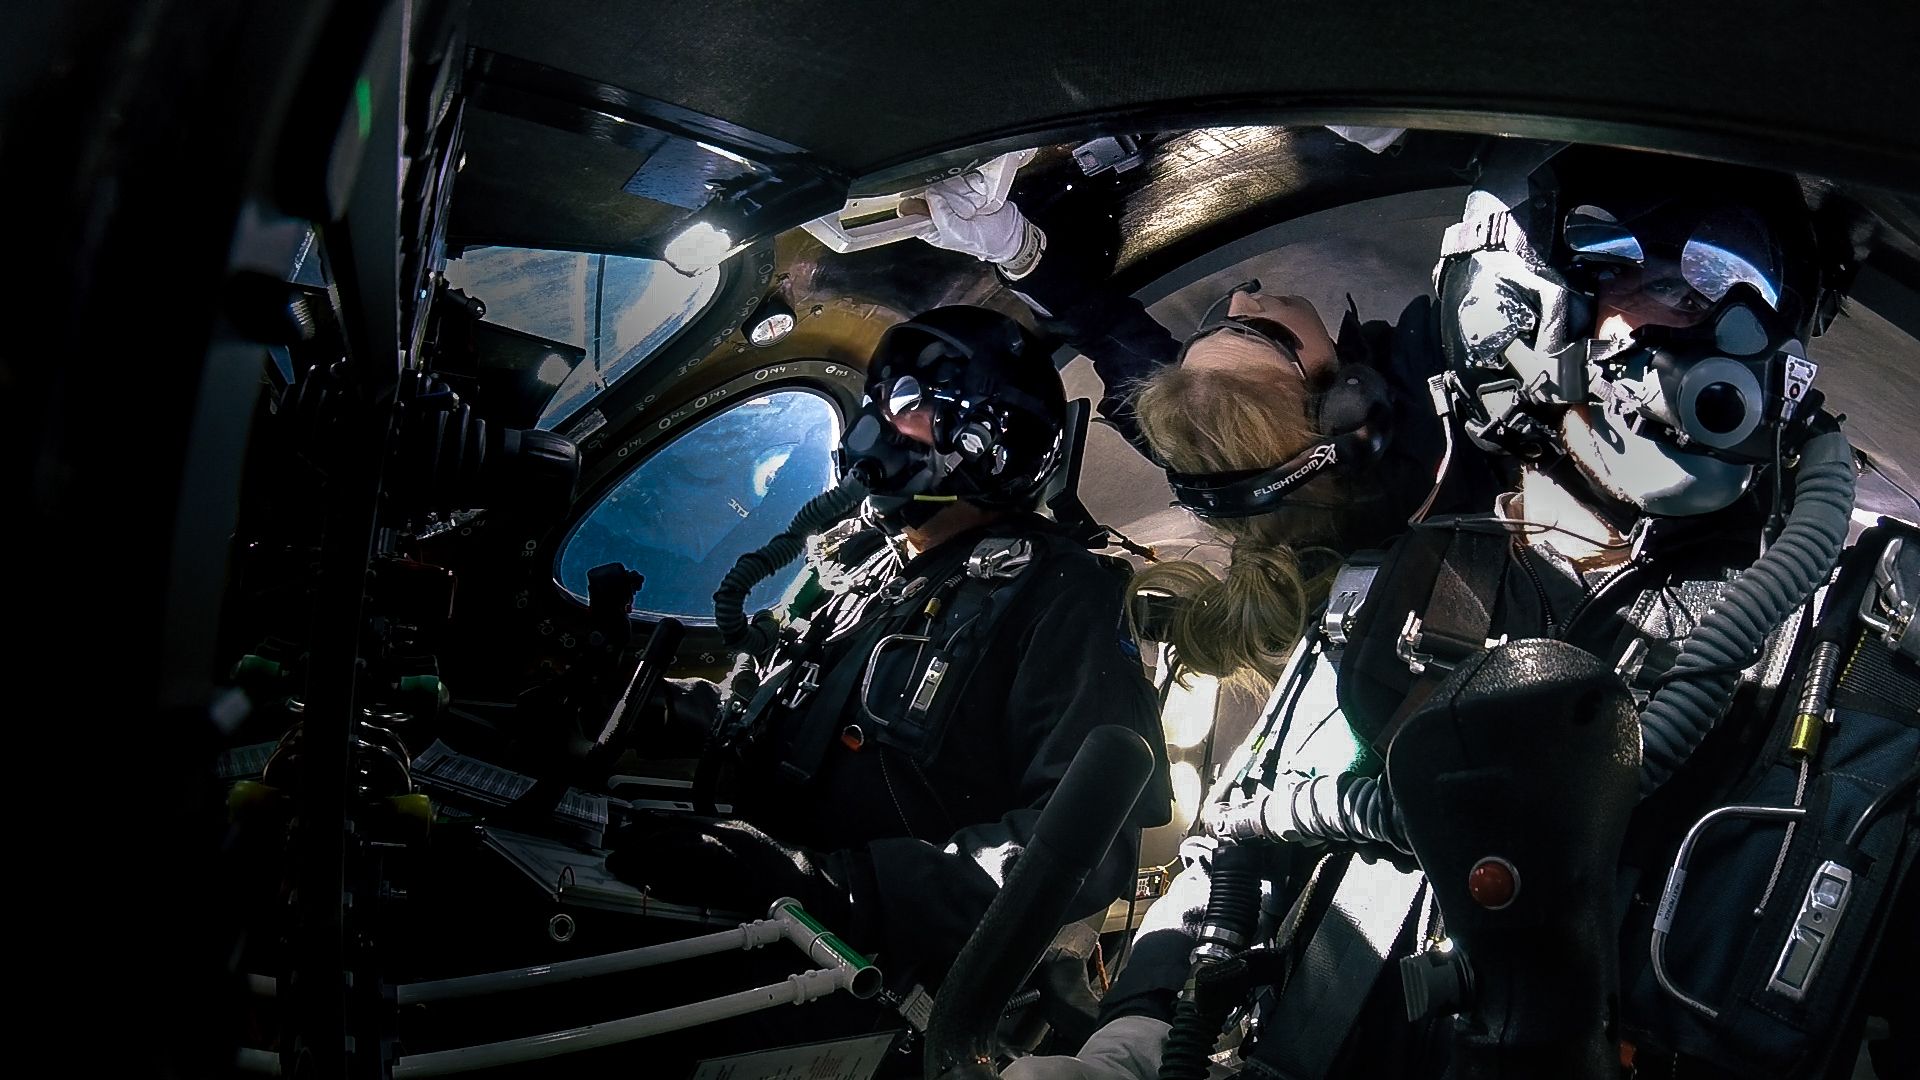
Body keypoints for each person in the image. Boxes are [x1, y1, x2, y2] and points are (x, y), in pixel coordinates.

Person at [1004, 142, 1917, 1079]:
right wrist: (1136, 1039)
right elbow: (1246, 837)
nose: (1731, 329)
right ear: (1526, 308)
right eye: (1668, 286)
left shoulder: (1863, 643)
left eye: (1744, 291)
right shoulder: (1418, 582)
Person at [607, 305, 1173, 1001]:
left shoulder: (1064, 594)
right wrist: (667, 712)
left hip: (874, 974)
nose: (872, 423)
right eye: (877, 399)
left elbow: (1086, 843)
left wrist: (843, 890)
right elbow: (787, 706)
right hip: (760, 918)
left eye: (906, 402)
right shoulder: (872, 567)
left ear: (986, 442)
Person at [914, 169, 1503, 691]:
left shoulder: (1230, 466)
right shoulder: (1447, 398)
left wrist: (1017, 249)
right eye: (1259, 333)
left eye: (1218, 325)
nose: (1242, 300)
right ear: (1344, 409)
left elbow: (1119, 346)